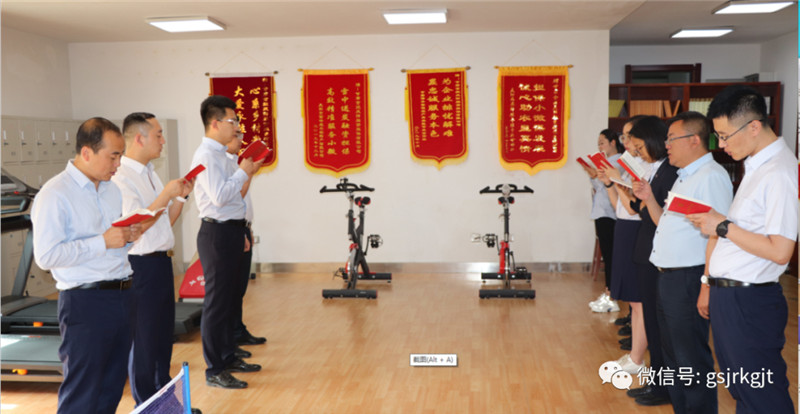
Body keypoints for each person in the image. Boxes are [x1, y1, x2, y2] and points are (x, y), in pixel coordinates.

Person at [688, 85, 797, 413]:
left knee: (761, 393)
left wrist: (722, 226)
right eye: (717, 137)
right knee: (743, 389)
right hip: (733, 296)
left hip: (750, 301)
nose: (721, 145)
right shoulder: (757, 165)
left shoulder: (779, 172)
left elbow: (781, 251)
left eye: (724, 136)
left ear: (754, 126)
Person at [31, 118, 142, 414]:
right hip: (85, 302)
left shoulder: (111, 190)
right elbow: (46, 256)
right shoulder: (55, 194)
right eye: (113, 156)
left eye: (121, 155)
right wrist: (102, 241)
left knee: (111, 387)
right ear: (87, 152)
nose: (118, 164)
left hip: (123, 294)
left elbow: (111, 244)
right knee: (83, 391)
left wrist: (127, 238)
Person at [644, 111, 733, 413]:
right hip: (669, 276)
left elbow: (720, 234)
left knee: (691, 358)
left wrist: (706, 284)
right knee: (674, 357)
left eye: (671, 139)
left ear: (695, 140)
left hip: (689, 277)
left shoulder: (711, 177)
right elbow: (670, 226)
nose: (666, 145)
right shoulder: (685, 176)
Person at [111, 113, 197, 410]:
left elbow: (162, 223)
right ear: (139, 138)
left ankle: (165, 402)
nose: (163, 140)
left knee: (162, 339)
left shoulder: (150, 171)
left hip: (160, 263)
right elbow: (136, 227)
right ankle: (146, 404)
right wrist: (166, 194)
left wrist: (180, 198)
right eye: (158, 134)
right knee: (145, 342)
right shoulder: (122, 177)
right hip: (141, 266)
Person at [192, 95, 264, 389]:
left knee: (230, 300)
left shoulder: (222, 155)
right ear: (215, 123)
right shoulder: (206, 156)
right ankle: (214, 369)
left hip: (231, 231)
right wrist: (244, 171)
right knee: (217, 304)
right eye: (232, 121)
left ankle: (228, 356)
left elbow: (234, 198)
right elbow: (220, 196)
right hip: (217, 234)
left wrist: (241, 231)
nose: (236, 127)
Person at [596, 116, 652, 378]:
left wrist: (617, 180)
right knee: (632, 297)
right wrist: (610, 183)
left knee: (639, 299)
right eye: (624, 137)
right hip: (624, 226)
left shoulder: (643, 167)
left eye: (630, 137)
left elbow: (633, 207)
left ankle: (637, 356)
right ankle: (635, 354)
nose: (626, 142)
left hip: (636, 228)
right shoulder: (630, 164)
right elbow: (618, 203)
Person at [627, 115, 677, 407]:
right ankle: (657, 383)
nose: (637, 153)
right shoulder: (659, 170)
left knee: (659, 327)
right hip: (648, 251)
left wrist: (645, 199)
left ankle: (663, 386)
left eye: (639, 147)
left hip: (656, 254)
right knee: (654, 323)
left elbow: (662, 217)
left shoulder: (670, 171)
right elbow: (645, 208)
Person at [225, 134, 267, 349]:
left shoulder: (236, 163)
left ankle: (238, 330)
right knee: (230, 289)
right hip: (231, 228)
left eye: (241, 135)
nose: (240, 139)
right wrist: (248, 172)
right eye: (236, 135)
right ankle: (230, 336)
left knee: (239, 287)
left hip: (242, 227)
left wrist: (247, 229)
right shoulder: (225, 164)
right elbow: (234, 198)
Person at [581, 129, 623, 313]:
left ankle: (611, 294)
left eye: (602, 143)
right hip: (602, 211)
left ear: (613, 142)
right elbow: (600, 186)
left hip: (610, 212)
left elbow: (609, 184)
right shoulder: (608, 162)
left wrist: (594, 175)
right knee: (608, 253)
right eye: (598, 143)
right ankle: (609, 292)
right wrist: (593, 175)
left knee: (611, 254)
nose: (600, 147)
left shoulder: (618, 162)